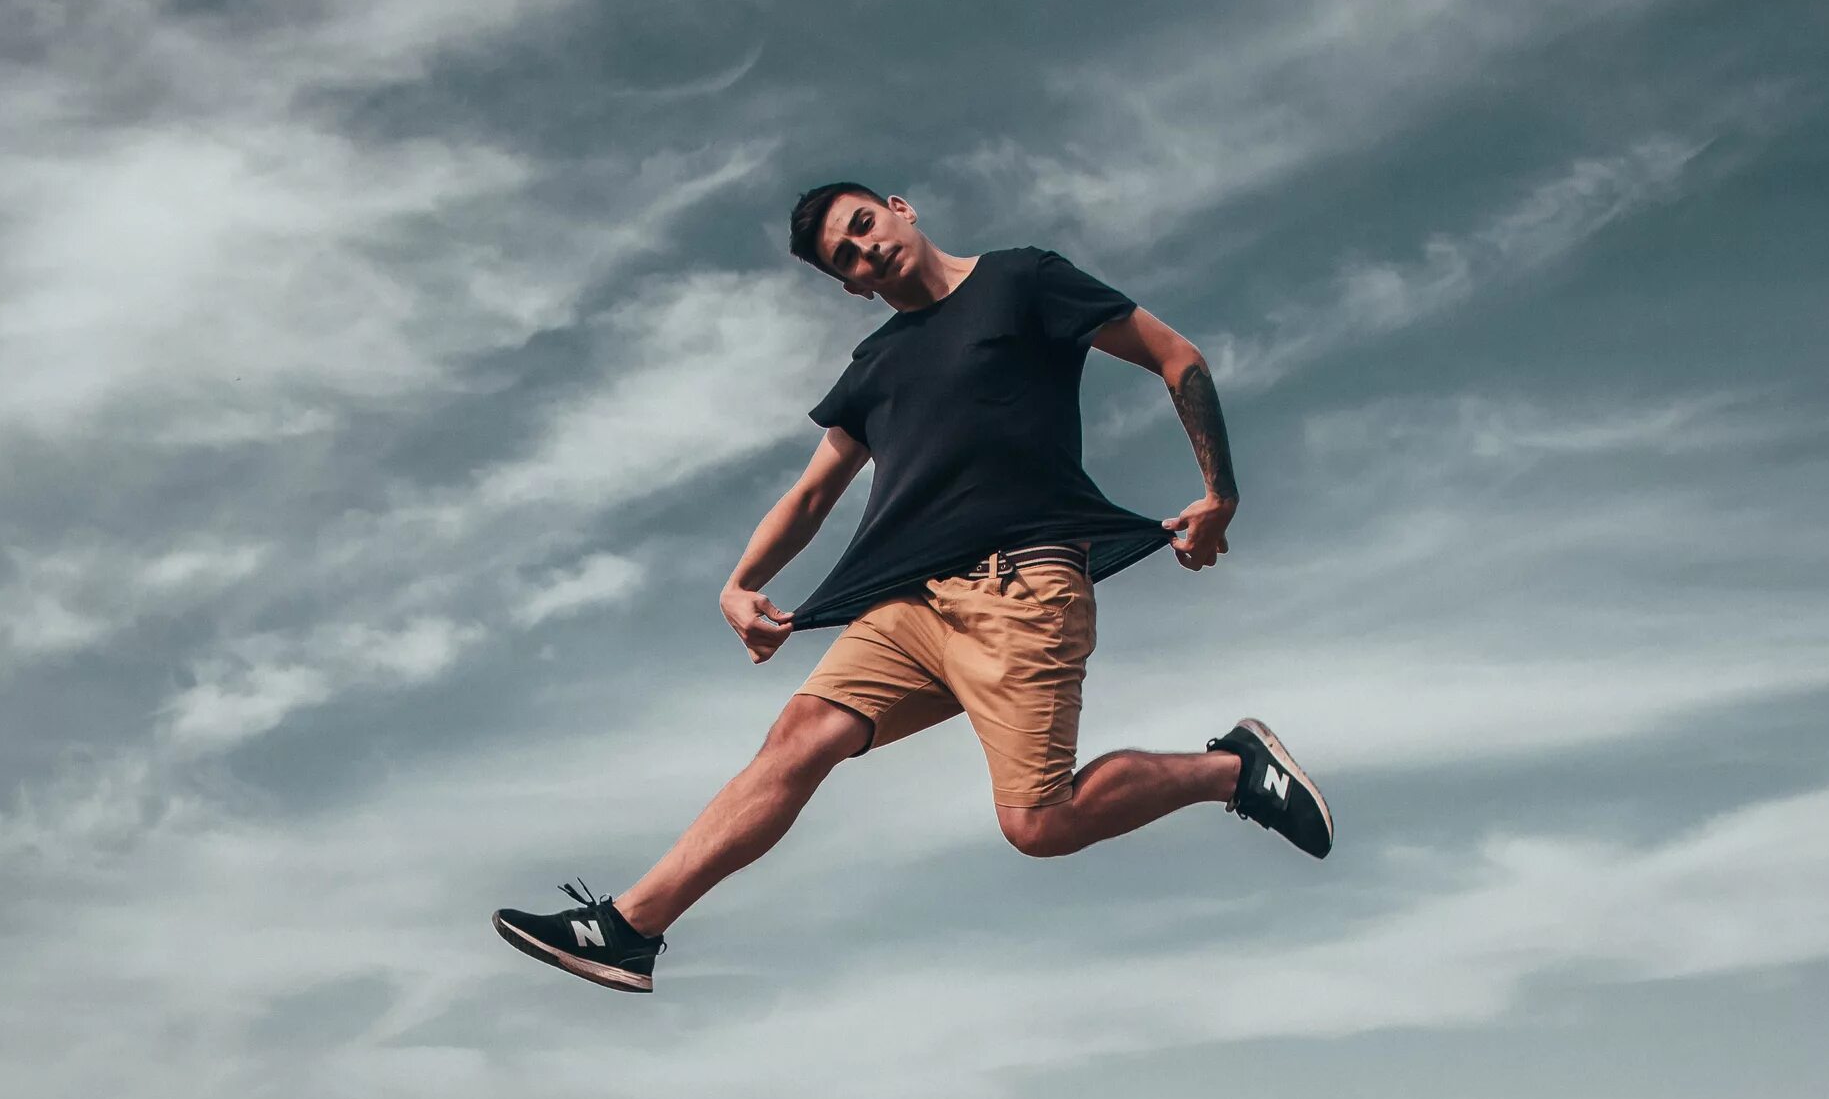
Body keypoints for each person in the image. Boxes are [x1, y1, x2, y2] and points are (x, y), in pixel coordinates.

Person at [493, 182, 1333, 993]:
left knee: (1038, 825)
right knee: (798, 736)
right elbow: (814, 492)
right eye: (846, 259)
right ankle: (630, 929)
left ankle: (1233, 770)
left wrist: (1219, 494)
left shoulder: (1021, 280)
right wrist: (742, 582)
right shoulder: (878, 363)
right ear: (852, 287)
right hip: (910, 604)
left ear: (901, 208)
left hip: (1022, 589)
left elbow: (1173, 356)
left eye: (864, 226)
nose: (864, 251)